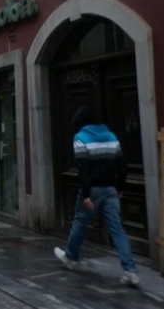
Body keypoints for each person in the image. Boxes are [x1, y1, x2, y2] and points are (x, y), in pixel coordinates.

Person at [53, 106, 139, 286]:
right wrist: (120, 187)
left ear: (81, 124)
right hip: (111, 188)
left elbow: (83, 170)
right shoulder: (112, 137)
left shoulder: (80, 139)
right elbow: (122, 165)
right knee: (117, 228)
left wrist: (86, 195)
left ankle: (71, 257)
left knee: (80, 222)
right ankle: (130, 271)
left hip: (92, 189)